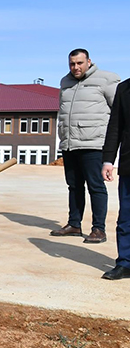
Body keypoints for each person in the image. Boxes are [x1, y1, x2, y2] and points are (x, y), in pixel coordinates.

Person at [51, 49, 119, 243]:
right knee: (73, 186)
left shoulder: (106, 80)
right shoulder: (65, 82)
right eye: (72, 64)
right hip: (70, 143)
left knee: (95, 187)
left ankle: (99, 229)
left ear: (89, 61)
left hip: (94, 143)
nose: (75, 67)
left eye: (79, 63)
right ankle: (74, 224)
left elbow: (118, 110)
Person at [101, 78, 130, 280]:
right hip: (129, 166)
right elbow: (115, 127)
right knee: (126, 218)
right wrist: (108, 160)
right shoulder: (124, 89)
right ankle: (125, 263)